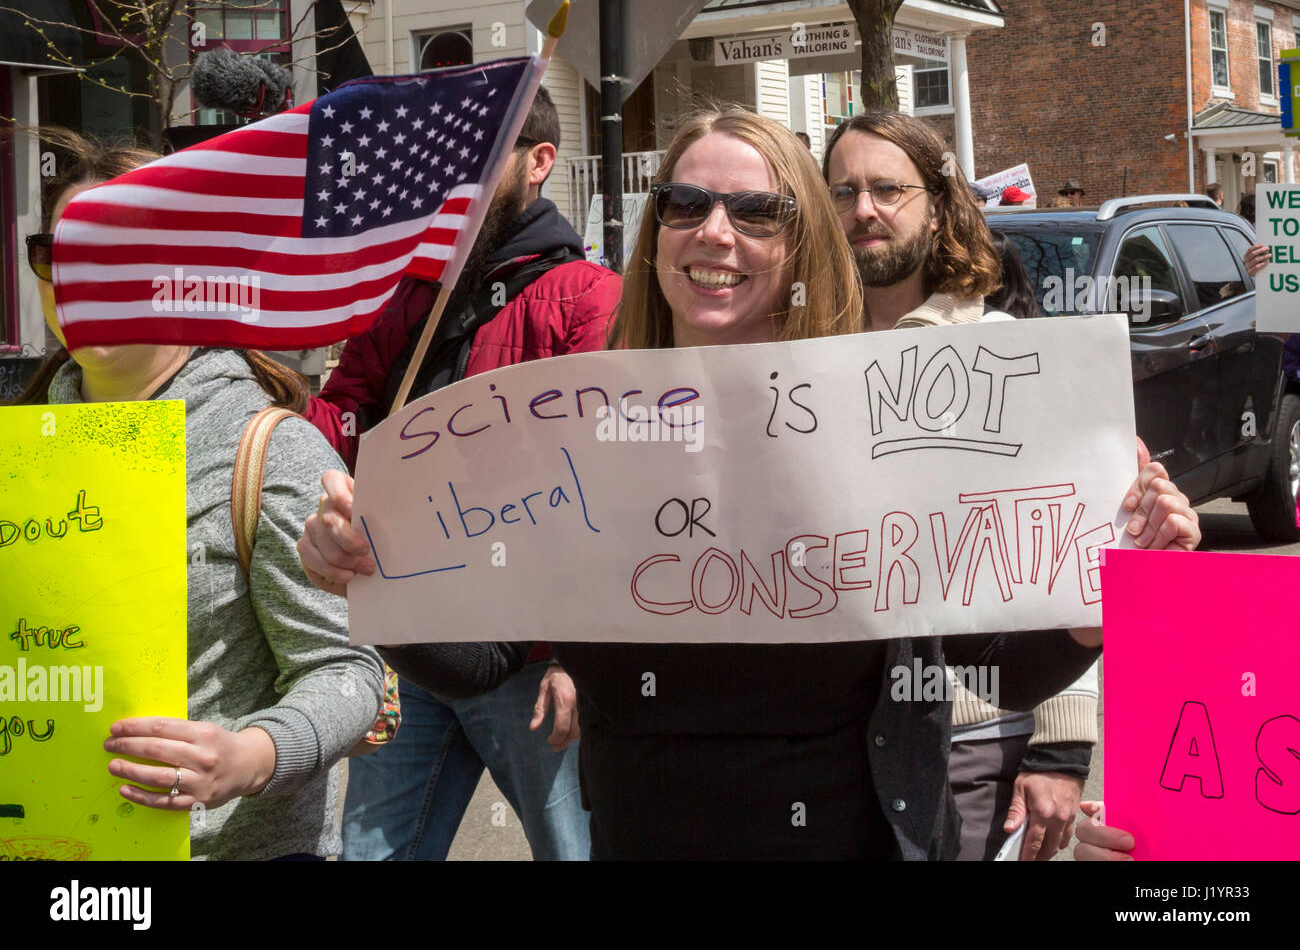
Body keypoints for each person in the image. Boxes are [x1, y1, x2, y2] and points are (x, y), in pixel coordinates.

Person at [300, 104, 1201, 860]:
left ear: (801, 238)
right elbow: (487, 660)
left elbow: (975, 669)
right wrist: (377, 579)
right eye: (685, 204)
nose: (715, 232)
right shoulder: (578, 421)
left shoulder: (876, 416)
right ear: (657, 234)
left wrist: (1092, 609)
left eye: (756, 211)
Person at [821, 109, 1195, 860]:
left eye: (888, 189)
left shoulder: (1013, 358)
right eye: (843, 191)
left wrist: (1058, 749)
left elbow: (1063, 555)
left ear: (938, 207)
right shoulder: (796, 359)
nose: (864, 209)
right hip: (822, 745)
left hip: (970, 735)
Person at [11, 129, 385, 860]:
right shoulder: (19, 452)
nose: (85, 277)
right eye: (61, 252)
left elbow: (347, 673)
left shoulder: (269, 450)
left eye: (119, 251)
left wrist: (249, 756)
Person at [299, 85, 619, 861]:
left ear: (540, 161)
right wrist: (295, 441)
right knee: (374, 853)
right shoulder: (411, 295)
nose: (455, 174)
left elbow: (604, 487)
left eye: (481, 154)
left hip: (529, 655)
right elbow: (339, 417)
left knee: (573, 851)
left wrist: (583, 655)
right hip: (409, 639)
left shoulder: (592, 297)